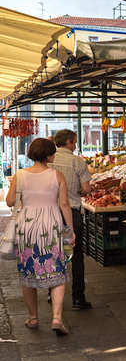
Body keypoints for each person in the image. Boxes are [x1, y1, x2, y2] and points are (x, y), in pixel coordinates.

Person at [6, 138, 74, 335]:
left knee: (28, 271)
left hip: (27, 228)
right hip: (51, 226)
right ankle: (56, 318)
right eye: (53, 152)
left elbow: (10, 202)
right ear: (48, 155)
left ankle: (33, 317)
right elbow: (64, 205)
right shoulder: (57, 175)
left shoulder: (20, 175)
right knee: (57, 271)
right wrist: (70, 230)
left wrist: (14, 187)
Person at [49, 129, 92, 309]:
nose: (75, 146)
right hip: (69, 215)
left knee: (53, 254)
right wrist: (77, 191)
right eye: (74, 142)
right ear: (68, 142)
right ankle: (77, 298)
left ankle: (52, 294)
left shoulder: (48, 160)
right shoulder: (77, 162)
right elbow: (86, 189)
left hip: (49, 214)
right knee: (74, 255)